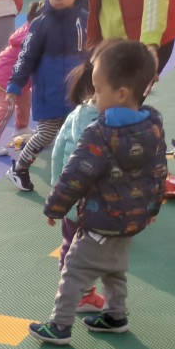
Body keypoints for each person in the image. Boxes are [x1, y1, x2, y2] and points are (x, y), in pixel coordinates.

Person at [28, 39, 167, 344]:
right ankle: (116, 316)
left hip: (99, 219)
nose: (94, 96)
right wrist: (152, 208)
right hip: (132, 219)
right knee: (115, 268)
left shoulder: (100, 133)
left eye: (99, 90)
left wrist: (55, 207)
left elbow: (75, 175)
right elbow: (158, 171)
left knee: (74, 270)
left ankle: (60, 325)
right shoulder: (153, 124)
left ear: (121, 93)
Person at [5, 0, 88, 192]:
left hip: (77, 93)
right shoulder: (41, 23)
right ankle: (19, 168)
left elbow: (94, 52)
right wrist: (15, 84)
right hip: (49, 92)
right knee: (46, 134)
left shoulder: (85, 20)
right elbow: (26, 55)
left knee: (78, 134)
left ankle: (71, 176)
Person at [49, 48, 106, 312]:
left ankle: (74, 291)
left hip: (71, 201)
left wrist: (57, 194)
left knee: (71, 246)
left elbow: (58, 152)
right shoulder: (99, 122)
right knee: (85, 252)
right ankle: (80, 295)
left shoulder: (77, 114)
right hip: (89, 204)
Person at [0, 0, 41, 157]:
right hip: (4, 77)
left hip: (15, 77)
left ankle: (21, 128)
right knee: (7, 107)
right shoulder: (32, 37)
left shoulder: (32, 31)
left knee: (25, 99)